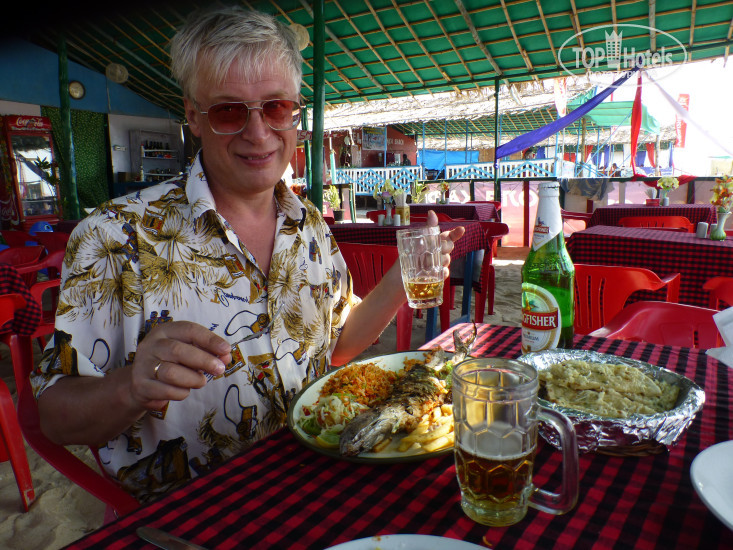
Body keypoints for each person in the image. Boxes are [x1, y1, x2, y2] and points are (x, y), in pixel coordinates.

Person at [32, 6, 464, 503]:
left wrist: (401, 278)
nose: (258, 133)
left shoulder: (309, 224)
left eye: (276, 107)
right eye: (229, 111)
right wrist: (132, 387)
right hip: (194, 512)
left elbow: (338, 346)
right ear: (193, 116)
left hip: (318, 479)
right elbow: (55, 417)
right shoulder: (114, 236)